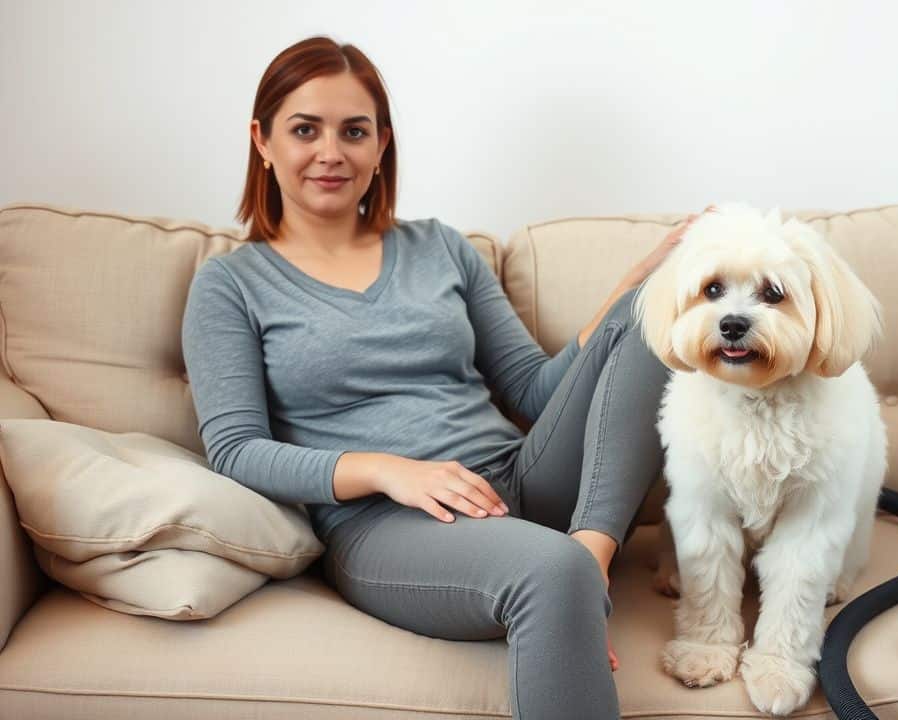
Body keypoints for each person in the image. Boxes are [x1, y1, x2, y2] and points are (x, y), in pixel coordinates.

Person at [181, 35, 706, 720]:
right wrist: (386, 470)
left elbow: (532, 390)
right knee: (550, 572)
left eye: (354, 131)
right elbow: (235, 449)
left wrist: (630, 288)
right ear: (263, 140)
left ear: (382, 143)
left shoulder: (440, 247)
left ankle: (592, 556)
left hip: (521, 479)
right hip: (391, 524)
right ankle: (571, 573)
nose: (331, 152)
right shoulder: (231, 283)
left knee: (656, 310)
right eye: (305, 129)